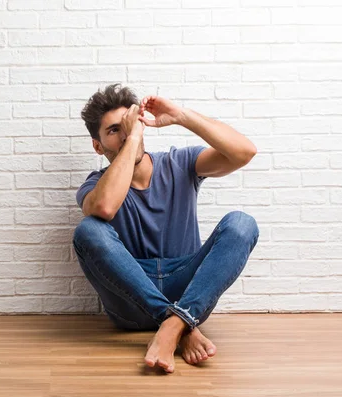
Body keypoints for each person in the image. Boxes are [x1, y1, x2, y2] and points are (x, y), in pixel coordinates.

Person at [73, 84, 260, 373]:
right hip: (131, 302)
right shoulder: (94, 186)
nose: (124, 135)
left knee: (241, 223)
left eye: (131, 124)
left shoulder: (178, 163)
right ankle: (180, 323)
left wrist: (181, 115)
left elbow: (244, 152)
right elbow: (105, 208)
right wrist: (133, 137)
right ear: (98, 146)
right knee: (88, 231)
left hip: (187, 290)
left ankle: (173, 326)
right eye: (114, 130)